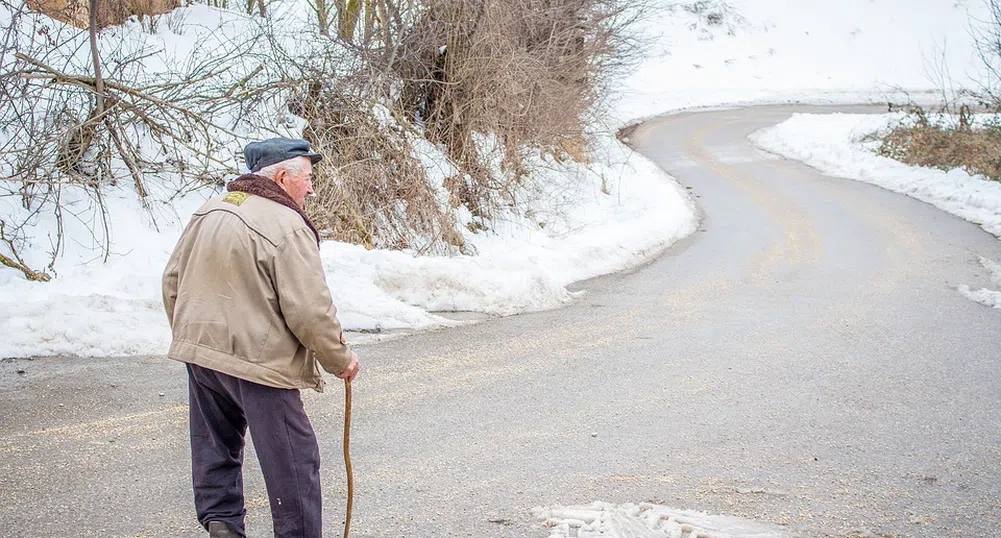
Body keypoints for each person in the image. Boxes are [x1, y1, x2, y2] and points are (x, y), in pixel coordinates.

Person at [162, 137, 359, 538]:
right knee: (293, 462)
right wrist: (340, 359)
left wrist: (195, 337)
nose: (312, 188)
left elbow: (171, 283)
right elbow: (309, 310)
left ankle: (222, 527)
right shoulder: (287, 225)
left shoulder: (209, 210)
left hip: (202, 356)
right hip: (260, 363)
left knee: (216, 449)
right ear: (283, 176)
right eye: (307, 178)